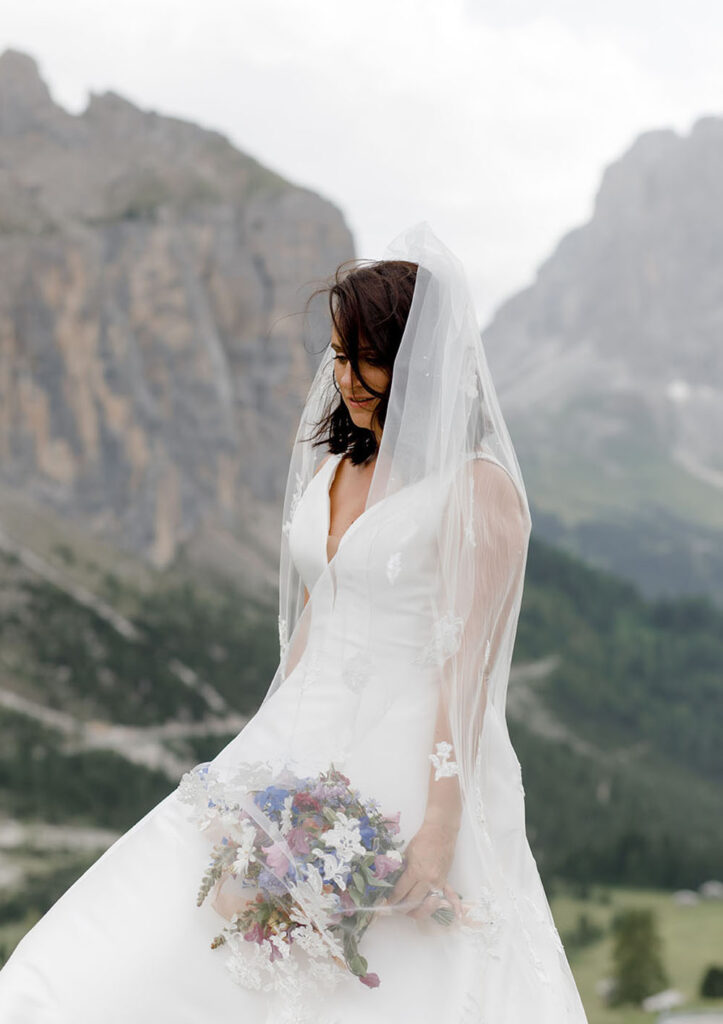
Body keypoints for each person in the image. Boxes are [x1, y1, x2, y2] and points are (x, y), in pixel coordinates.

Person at [0, 222, 590, 1023]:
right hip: (298, 738)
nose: (348, 377)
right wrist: (261, 754)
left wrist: (439, 823)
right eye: (340, 356)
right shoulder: (336, 466)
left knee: (382, 974)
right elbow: (318, 614)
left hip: (416, 753)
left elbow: (466, 666)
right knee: (153, 934)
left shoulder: (478, 491)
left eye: (369, 357)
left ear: (420, 362)